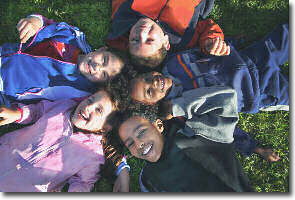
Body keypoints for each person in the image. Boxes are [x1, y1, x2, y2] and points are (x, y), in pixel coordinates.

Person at [128, 23, 289, 162]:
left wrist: (229, 43)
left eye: (148, 77)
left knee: (285, 36)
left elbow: (203, 52)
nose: (154, 82)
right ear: (154, 106)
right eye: (149, 92)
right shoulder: (181, 112)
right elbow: (225, 130)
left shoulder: (173, 63)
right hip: (260, 91)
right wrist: (255, 148)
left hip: (251, 58)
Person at [118, 86, 254, 192]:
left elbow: (225, 98)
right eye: (130, 143)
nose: (138, 143)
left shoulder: (200, 134)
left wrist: (175, 108)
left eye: (141, 132)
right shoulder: (147, 178)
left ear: (159, 125)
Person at [0, 86, 130, 192]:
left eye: (99, 110)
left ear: (106, 128)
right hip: (5, 153)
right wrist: (18, 114)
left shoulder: (93, 156)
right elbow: (38, 111)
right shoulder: (63, 107)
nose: (88, 107)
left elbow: (83, 183)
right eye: (90, 100)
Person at [0, 14, 126, 107]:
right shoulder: (72, 36)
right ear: (102, 49)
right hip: (4, 52)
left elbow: (47, 109)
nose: (97, 66)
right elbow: (46, 23)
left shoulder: (80, 93)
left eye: (104, 74)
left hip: (5, 90)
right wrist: (34, 22)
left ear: (102, 84)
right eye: (104, 60)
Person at [106, 0, 230, 68]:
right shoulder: (184, 36)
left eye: (135, 39)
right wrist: (209, 41)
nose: (142, 33)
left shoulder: (124, 13)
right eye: (150, 40)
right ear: (166, 43)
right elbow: (207, 27)